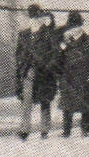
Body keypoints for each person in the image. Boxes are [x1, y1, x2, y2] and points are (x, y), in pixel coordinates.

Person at [18, 7, 61, 140]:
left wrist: (48, 67)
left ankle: (45, 128)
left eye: (36, 18)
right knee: (26, 101)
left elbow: (55, 54)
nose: (33, 21)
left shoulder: (48, 35)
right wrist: (21, 64)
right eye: (31, 18)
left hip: (44, 72)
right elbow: (18, 53)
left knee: (44, 100)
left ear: (40, 19)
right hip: (28, 71)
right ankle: (24, 129)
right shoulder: (23, 34)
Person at [57, 13, 89, 137]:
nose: (74, 30)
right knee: (67, 105)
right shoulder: (65, 42)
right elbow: (58, 59)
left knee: (85, 104)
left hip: (84, 78)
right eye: (72, 27)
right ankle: (66, 130)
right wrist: (63, 46)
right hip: (68, 78)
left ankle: (85, 129)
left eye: (77, 26)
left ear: (81, 26)